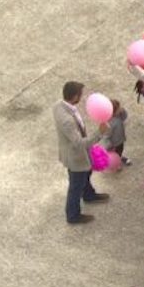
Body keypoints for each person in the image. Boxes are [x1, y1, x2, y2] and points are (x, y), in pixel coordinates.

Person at [54, 81, 110, 224]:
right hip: (76, 157)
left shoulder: (58, 106)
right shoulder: (67, 120)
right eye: (80, 95)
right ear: (74, 97)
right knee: (75, 186)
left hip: (74, 153)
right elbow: (78, 144)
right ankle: (73, 215)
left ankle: (89, 194)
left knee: (85, 174)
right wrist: (99, 133)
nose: (82, 97)